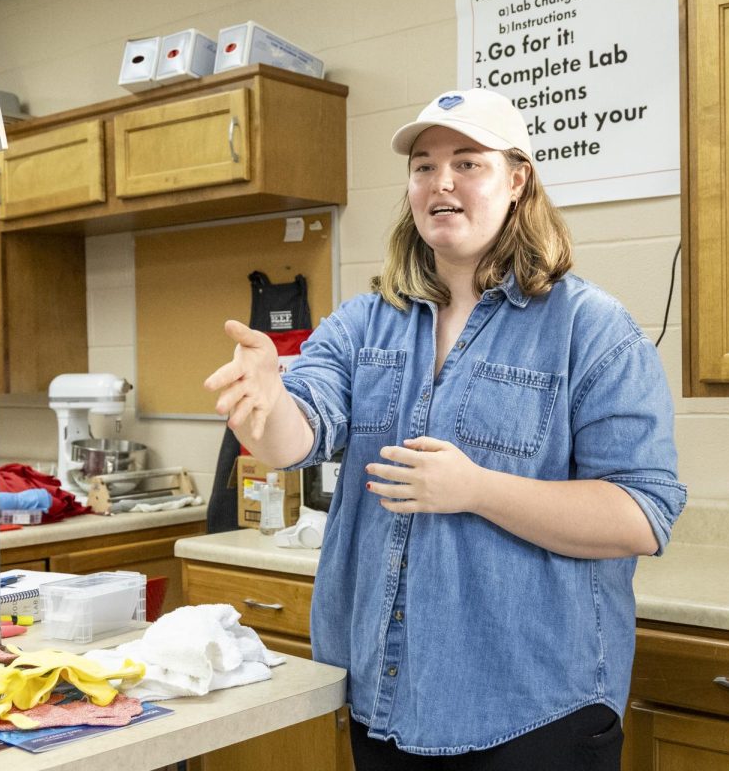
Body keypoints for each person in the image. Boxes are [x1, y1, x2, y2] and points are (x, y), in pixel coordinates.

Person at [204, 88, 685, 770]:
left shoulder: (592, 330)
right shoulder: (363, 324)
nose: (441, 181)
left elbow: (642, 515)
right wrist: (266, 401)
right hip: (384, 699)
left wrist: (476, 489)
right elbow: (294, 440)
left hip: (536, 710)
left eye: (468, 162)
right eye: (424, 166)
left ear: (518, 180)